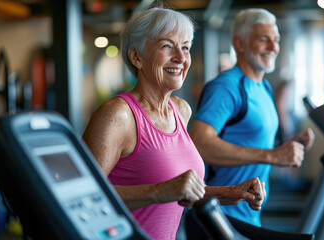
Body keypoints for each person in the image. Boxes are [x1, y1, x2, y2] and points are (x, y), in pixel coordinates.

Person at [82, 7, 266, 240]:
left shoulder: (181, 110)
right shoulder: (118, 116)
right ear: (136, 56)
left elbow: (184, 192)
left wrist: (232, 192)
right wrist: (161, 191)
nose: (181, 58)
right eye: (167, 46)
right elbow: (84, 196)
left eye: (186, 47)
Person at [189, 8, 315, 227]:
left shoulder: (264, 87)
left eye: (276, 40)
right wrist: (272, 156)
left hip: (248, 214)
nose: (274, 48)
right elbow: (199, 143)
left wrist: (289, 145)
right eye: (264, 40)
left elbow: (253, 141)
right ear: (240, 44)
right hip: (219, 215)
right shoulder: (226, 87)